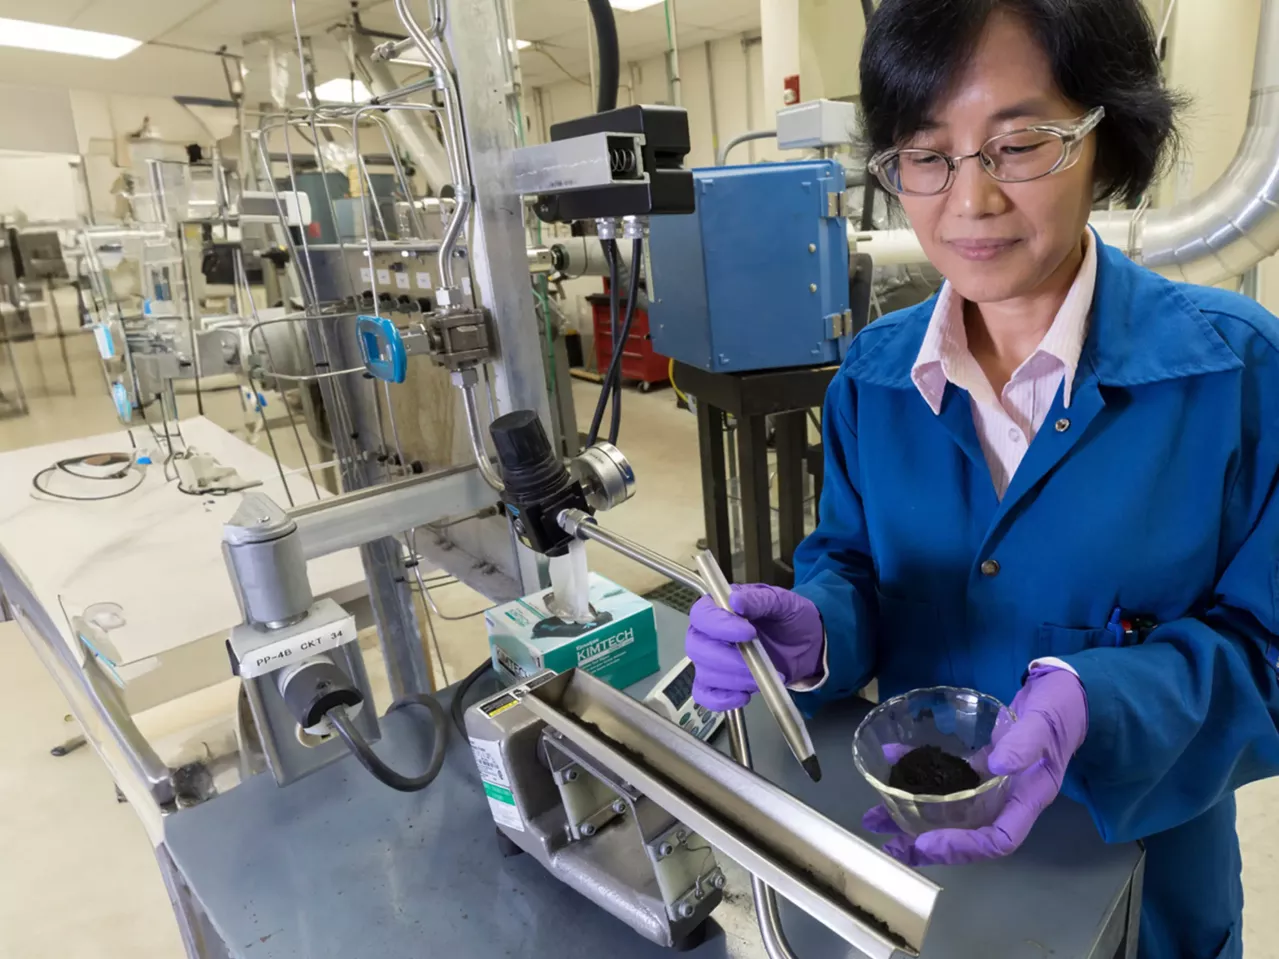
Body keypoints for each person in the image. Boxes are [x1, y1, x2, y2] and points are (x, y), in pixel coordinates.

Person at [683, 0, 1279, 955]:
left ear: (1105, 138)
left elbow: (1270, 651)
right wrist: (814, 633)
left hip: (1141, 878)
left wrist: (1103, 699)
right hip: (922, 867)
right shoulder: (871, 382)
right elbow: (850, 567)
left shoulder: (1239, 375)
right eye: (925, 153)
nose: (968, 200)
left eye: (1019, 143)